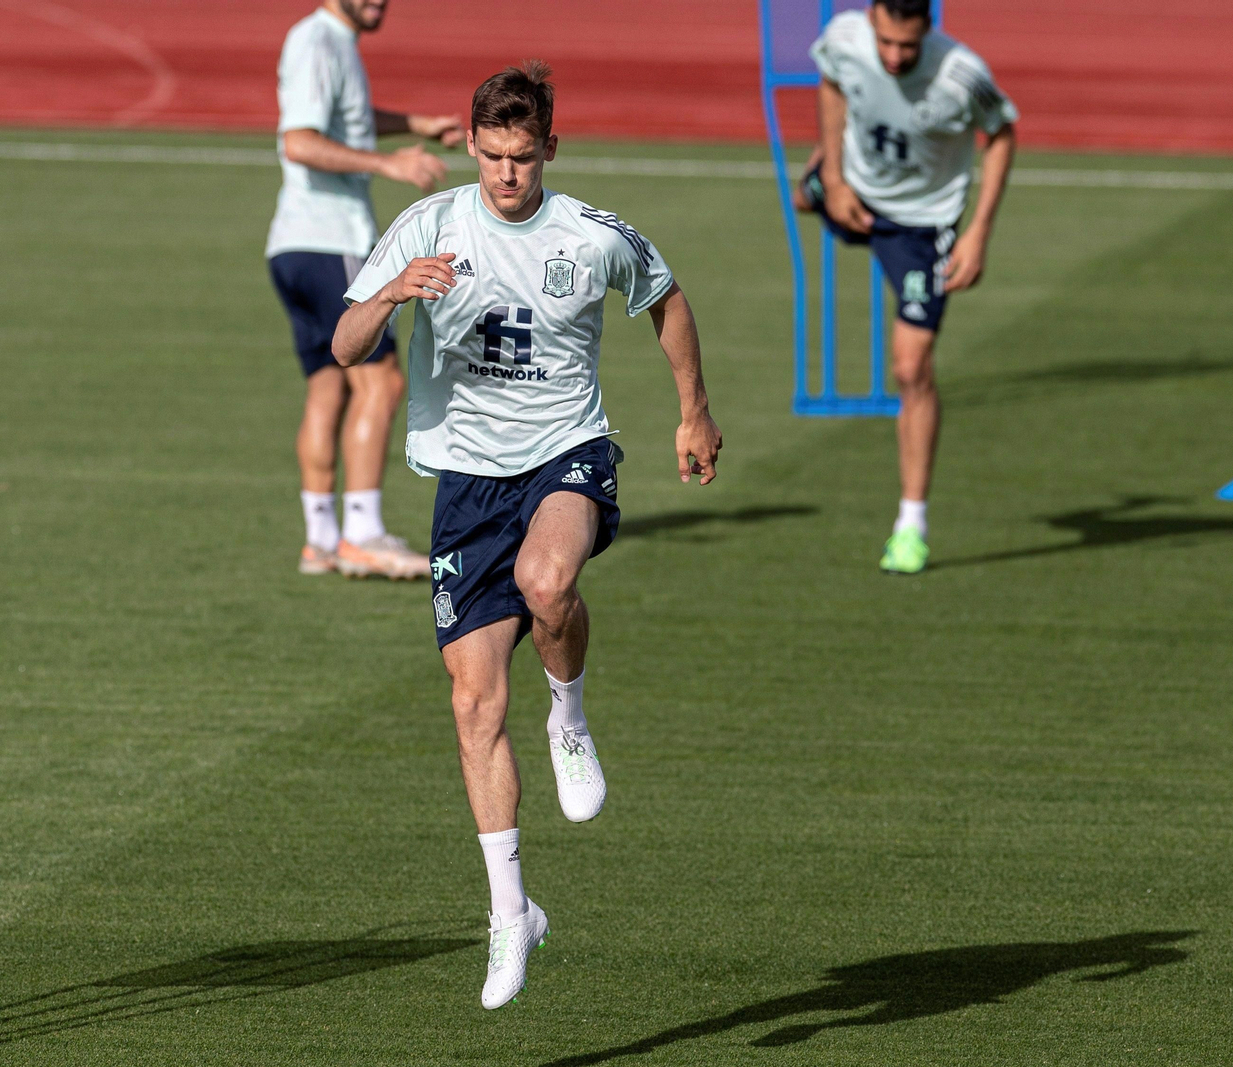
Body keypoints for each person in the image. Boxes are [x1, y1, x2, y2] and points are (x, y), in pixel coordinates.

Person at [333, 61, 722, 1008]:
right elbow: (342, 345)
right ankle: (513, 913)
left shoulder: (591, 237)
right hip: (467, 483)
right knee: (472, 705)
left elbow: (666, 299)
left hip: (566, 452)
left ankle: (571, 714)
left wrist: (692, 412)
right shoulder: (427, 227)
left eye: (524, 156)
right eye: (493, 156)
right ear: (470, 146)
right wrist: (391, 296)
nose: (508, 174)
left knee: (549, 583)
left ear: (551, 145)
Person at [794, 0, 1016, 574]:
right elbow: (833, 82)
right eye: (886, 43)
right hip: (858, 193)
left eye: (908, 47)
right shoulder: (843, 37)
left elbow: (1002, 134)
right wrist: (836, 175)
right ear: (871, 20)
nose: (895, 57)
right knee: (802, 194)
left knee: (911, 367)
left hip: (922, 224)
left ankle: (910, 524)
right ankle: (825, 179)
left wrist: (977, 234)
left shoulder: (962, 74)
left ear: (929, 31)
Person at [267, 0, 464, 579]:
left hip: (295, 246)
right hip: (332, 240)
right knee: (381, 380)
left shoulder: (330, 42)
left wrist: (415, 124)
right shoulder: (318, 42)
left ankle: (321, 538)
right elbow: (299, 141)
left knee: (330, 387)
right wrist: (389, 165)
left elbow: (340, 121)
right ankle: (363, 532)